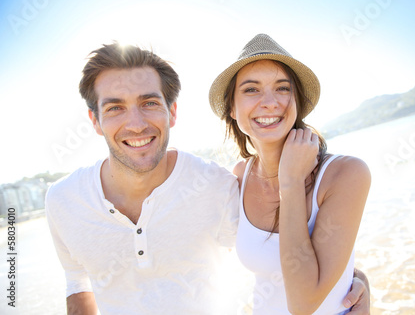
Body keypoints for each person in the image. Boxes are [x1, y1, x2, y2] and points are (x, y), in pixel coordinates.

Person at [45, 42, 369, 314]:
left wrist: (348, 278)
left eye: (149, 103)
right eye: (115, 108)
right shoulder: (62, 201)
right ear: (95, 120)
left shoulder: (216, 186)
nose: (136, 123)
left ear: (172, 112)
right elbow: (77, 280)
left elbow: (304, 275)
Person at [209, 34, 371, 314]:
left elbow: (304, 304)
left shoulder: (345, 174)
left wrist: (292, 182)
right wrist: (357, 277)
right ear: (232, 109)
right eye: (251, 90)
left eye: (282, 88)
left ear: (297, 100)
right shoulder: (238, 177)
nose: (270, 102)